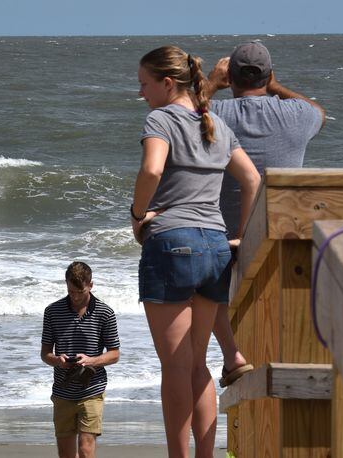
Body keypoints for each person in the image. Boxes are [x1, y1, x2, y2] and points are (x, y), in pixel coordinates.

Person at [132, 46, 260, 457]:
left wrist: (138, 214)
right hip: (215, 245)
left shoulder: (161, 119)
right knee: (199, 364)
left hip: (171, 242)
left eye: (144, 84)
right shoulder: (216, 124)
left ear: (167, 83)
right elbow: (252, 179)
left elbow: (152, 169)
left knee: (175, 367)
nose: (141, 93)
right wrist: (240, 235)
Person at [204, 41, 326, 387]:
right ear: (269, 75)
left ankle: (234, 356)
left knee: (204, 289)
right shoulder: (298, 116)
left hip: (228, 241)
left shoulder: (215, 115)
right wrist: (275, 87)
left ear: (233, 77)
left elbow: (180, 113)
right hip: (284, 241)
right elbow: (318, 110)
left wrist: (212, 82)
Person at [41, 261, 120, 458]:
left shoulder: (105, 313)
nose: (75, 296)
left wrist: (91, 361)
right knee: (66, 454)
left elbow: (114, 354)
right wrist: (58, 360)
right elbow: (45, 354)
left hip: (92, 389)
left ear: (90, 285)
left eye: (80, 291)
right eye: (70, 291)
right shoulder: (52, 311)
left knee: (85, 450)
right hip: (62, 389)